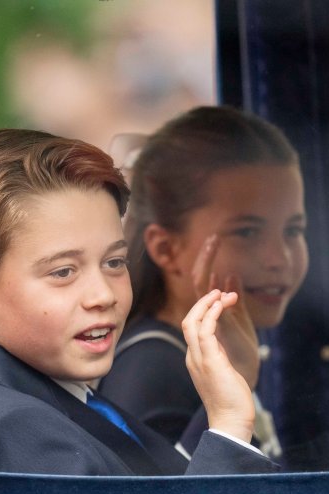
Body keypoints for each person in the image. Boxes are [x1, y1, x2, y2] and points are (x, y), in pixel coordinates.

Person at [0, 128, 277, 476]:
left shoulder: (59, 398)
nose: (104, 295)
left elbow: (156, 488)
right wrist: (229, 426)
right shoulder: (17, 429)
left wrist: (233, 386)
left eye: (114, 263)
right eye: (63, 271)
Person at [99, 106, 308, 454]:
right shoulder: (153, 372)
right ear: (166, 249)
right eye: (247, 232)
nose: (279, 258)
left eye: (293, 230)